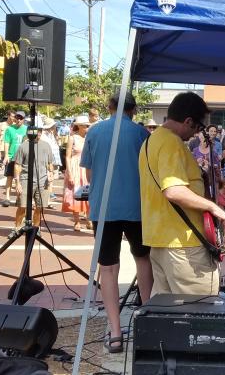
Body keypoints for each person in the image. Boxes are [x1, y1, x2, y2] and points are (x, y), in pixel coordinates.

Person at [81, 93, 153, 354]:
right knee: (144, 260)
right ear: (133, 110)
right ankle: (147, 323)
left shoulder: (95, 131)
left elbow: (89, 173)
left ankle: (115, 332)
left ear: (109, 107)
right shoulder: (142, 134)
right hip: (137, 207)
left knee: (108, 268)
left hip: (103, 207)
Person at [139, 92, 225, 296]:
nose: (197, 134)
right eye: (198, 127)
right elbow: (174, 190)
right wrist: (212, 206)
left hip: (160, 240)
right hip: (184, 244)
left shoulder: (150, 142)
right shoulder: (172, 143)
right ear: (188, 121)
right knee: (200, 312)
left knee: (167, 316)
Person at [11, 119, 55, 230]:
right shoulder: (23, 146)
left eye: (40, 131)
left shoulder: (46, 146)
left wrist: (51, 173)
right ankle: (17, 228)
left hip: (42, 181)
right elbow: (17, 165)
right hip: (26, 180)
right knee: (22, 206)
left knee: (40, 207)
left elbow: (50, 163)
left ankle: (36, 229)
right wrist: (17, 183)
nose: (38, 133)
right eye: (36, 131)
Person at [63, 115, 91, 231]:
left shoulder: (89, 138)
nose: (87, 128)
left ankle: (89, 219)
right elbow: (68, 157)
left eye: (88, 126)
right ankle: (77, 221)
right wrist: (69, 173)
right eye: (85, 126)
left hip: (87, 167)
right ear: (79, 126)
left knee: (88, 194)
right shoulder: (72, 138)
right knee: (76, 193)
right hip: (75, 167)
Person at [1, 111, 27, 207]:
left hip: (23, 158)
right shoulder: (10, 129)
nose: (19, 120)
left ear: (24, 119)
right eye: (17, 117)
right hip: (12, 157)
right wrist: (6, 155)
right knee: (9, 177)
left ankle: (18, 197)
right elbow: (7, 142)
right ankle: (7, 197)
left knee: (20, 178)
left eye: (21, 118)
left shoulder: (26, 129)